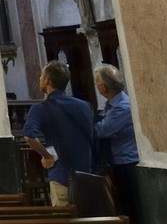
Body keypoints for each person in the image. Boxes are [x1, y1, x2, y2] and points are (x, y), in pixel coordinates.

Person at [23, 60, 96, 206]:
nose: (39, 79)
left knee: (64, 216)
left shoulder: (41, 108)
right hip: (88, 175)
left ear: (48, 81)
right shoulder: (85, 106)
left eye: (41, 76)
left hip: (61, 174)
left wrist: (47, 156)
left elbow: (29, 136)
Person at [95, 64, 140, 221]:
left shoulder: (123, 107)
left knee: (129, 207)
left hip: (126, 163)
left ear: (105, 86)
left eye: (97, 81)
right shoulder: (111, 105)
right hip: (117, 162)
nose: (96, 83)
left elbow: (102, 131)